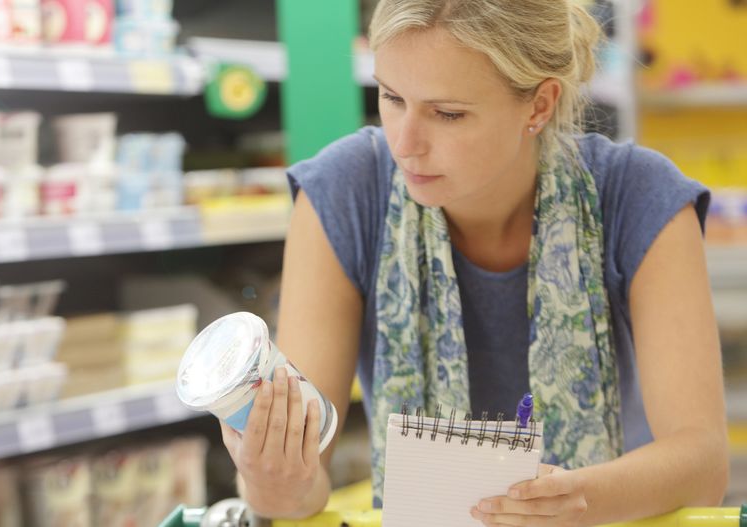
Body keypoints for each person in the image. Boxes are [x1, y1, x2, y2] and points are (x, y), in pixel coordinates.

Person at [218, 0, 729, 525]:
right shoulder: (343, 192)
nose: (405, 144)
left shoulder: (639, 195)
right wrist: (271, 480)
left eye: (448, 113)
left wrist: (577, 501)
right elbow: (300, 487)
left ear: (539, 105)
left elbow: (702, 462)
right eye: (391, 97)